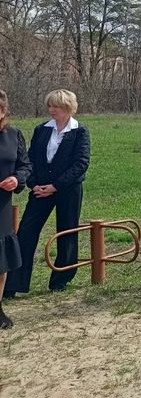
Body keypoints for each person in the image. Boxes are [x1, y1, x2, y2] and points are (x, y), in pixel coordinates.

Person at [5, 90, 90, 297]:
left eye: (56, 107)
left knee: (67, 231)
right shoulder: (42, 129)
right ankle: (14, 283)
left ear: (68, 108)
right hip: (40, 189)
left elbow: (81, 163)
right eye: (49, 106)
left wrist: (56, 186)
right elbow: (30, 158)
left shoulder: (80, 131)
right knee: (26, 232)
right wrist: (34, 184)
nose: (51, 110)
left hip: (68, 190)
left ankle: (61, 279)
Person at [0, 91, 32, 327]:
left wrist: (17, 179)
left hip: (2, 204)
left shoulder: (14, 135)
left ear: (3, 112)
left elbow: (25, 166)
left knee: (1, 260)